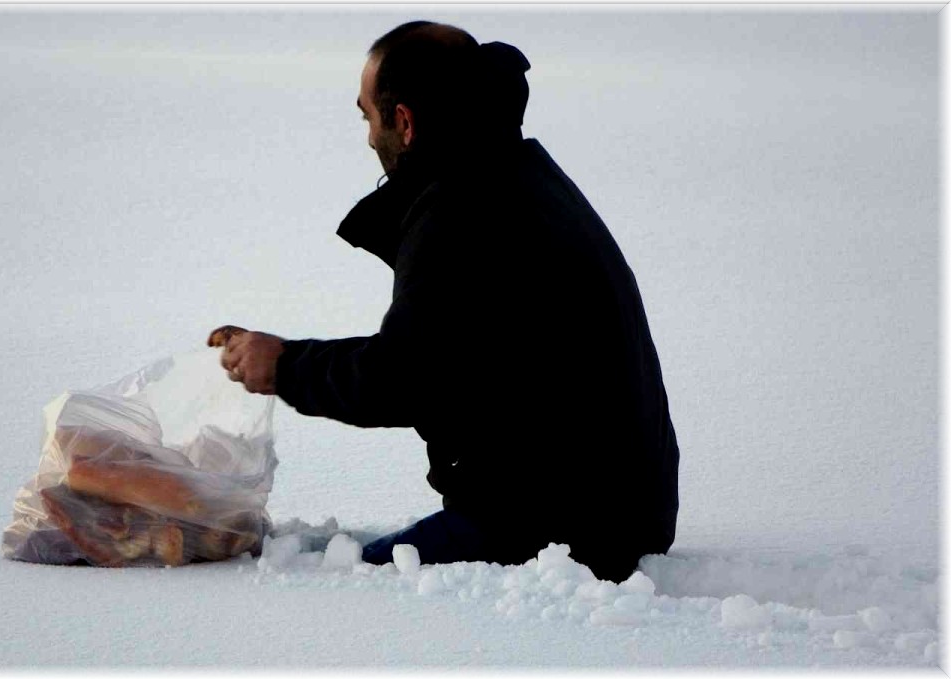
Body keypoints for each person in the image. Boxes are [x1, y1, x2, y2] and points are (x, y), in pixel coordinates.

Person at [211, 21, 679, 583]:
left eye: (367, 116)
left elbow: (405, 376)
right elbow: (442, 347)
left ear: (404, 122)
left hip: (563, 529)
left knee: (344, 581)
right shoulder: (516, 174)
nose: (368, 137)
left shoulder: (463, 211)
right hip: (620, 508)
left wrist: (284, 366)